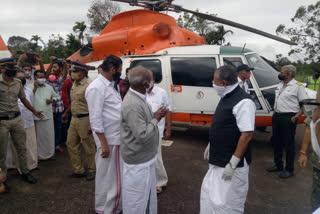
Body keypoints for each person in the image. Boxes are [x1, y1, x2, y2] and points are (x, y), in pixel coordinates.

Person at [200, 65, 256, 214]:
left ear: (224, 83)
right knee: (211, 198)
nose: (213, 85)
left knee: (228, 202)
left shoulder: (244, 102)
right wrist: (212, 143)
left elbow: (247, 135)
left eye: (215, 82)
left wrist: (233, 163)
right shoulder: (226, 96)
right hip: (218, 158)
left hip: (231, 164)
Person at [120, 66, 167, 214]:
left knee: (146, 198)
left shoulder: (139, 97)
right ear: (145, 84)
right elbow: (143, 135)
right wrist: (156, 119)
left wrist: (154, 115)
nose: (153, 82)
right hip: (138, 163)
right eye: (151, 80)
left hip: (145, 160)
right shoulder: (133, 104)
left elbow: (141, 120)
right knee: (136, 201)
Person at [85, 55, 123, 214]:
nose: (120, 73)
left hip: (114, 137)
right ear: (113, 68)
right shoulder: (96, 88)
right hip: (110, 140)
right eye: (119, 70)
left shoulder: (109, 85)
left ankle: (107, 207)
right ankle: (108, 209)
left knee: (110, 176)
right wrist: (103, 143)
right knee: (110, 178)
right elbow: (95, 117)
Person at [0, 58, 43, 191]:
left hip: (17, 119)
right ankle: (3, 179)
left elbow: (24, 99)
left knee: (21, 147)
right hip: (2, 121)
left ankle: (25, 172)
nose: (13, 70)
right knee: (1, 152)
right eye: (10, 68)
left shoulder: (18, 83)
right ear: (2, 69)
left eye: (14, 67)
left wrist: (34, 111)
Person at [267, 65, 308, 179]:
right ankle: (278, 165)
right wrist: (275, 113)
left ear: (289, 74)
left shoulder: (298, 86)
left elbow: (304, 103)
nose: (280, 74)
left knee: (288, 144)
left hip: (289, 117)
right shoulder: (280, 85)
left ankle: (289, 169)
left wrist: (296, 116)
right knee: (277, 142)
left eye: (282, 72)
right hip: (277, 116)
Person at [62, 62, 96, 181]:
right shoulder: (74, 84)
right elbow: (74, 101)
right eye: (72, 71)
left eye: (74, 71)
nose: (72, 74)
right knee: (71, 143)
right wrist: (66, 113)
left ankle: (92, 169)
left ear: (82, 72)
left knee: (88, 145)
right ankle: (78, 170)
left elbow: (94, 106)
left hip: (85, 118)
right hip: (74, 118)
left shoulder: (89, 85)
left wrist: (92, 124)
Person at [146, 69, 172, 194]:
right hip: (143, 131)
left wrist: (168, 128)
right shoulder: (140, 93)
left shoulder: (161, 92)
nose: (147, 82)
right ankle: (148, 181)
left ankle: (160, 182)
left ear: (154, 80)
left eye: (149, 79)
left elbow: (168, 111)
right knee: (144, 157)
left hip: (157, 130)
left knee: (156, 157)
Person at [298, 85, 320, 212]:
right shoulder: (316, 112)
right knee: (317, 196)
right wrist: (303, 152)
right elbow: (308, 129)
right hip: (318, 164)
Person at [30, 70, 58, 160]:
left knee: (48, 136)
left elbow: (56, 96)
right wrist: (35, 87)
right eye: (39, 77)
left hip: (48, 115)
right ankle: (38, 156)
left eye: (43, 77)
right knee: (38, 138)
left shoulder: (49, 87)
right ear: (35, 78)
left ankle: (49, 154)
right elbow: (28, 99)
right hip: (35, 117)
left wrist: (52, 100)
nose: (41, 79)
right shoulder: (29, 87)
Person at [16, 71, 38, 170]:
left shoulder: (29, 91)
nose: (22, 79)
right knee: (19, 147)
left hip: (28, 121)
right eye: (20, 77)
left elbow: (31, 105)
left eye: (23, 77)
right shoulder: (11, 90)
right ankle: (21, 168)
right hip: (16, 123)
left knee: (31, 144)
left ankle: (32, 165)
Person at [46, 57, 67, 152]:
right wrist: (51, 63)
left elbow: (64, 75)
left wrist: (65, 64)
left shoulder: (58, 82)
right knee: (49, 128)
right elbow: (46, 73)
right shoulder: (46, 82)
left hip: (58, 108)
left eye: (53, 73)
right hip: (49, 108)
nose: (52, 74)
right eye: (51, 73)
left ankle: (57, 145)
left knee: (58, 127)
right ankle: (50, 145)